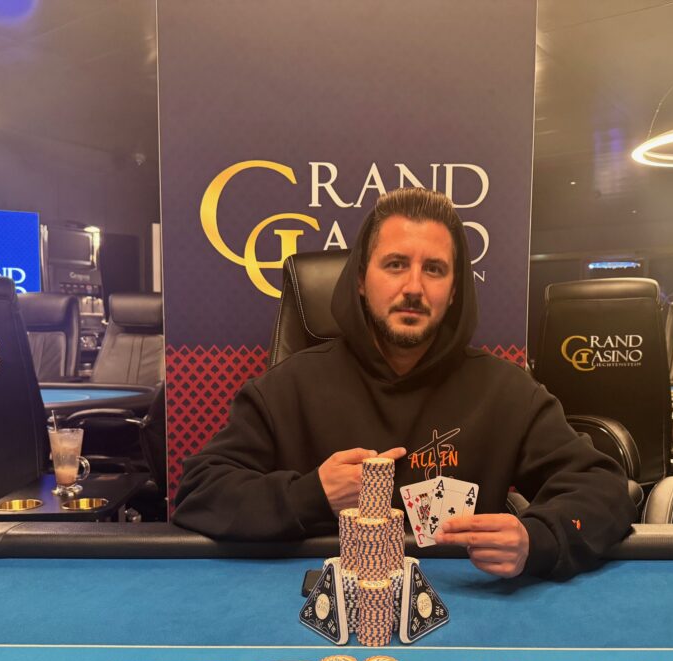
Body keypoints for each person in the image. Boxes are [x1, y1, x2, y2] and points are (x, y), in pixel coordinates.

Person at [173, 187, 636, 579]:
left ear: (453, 290)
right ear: (360, 279)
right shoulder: (286, 388)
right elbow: (200, 492)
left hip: (465, 613)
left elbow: (603, 489)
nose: (414, 287)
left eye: (434, 269)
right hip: (317, 612)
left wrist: (538, 538)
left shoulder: (507, 392)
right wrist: (312, 494)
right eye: (395, 264)